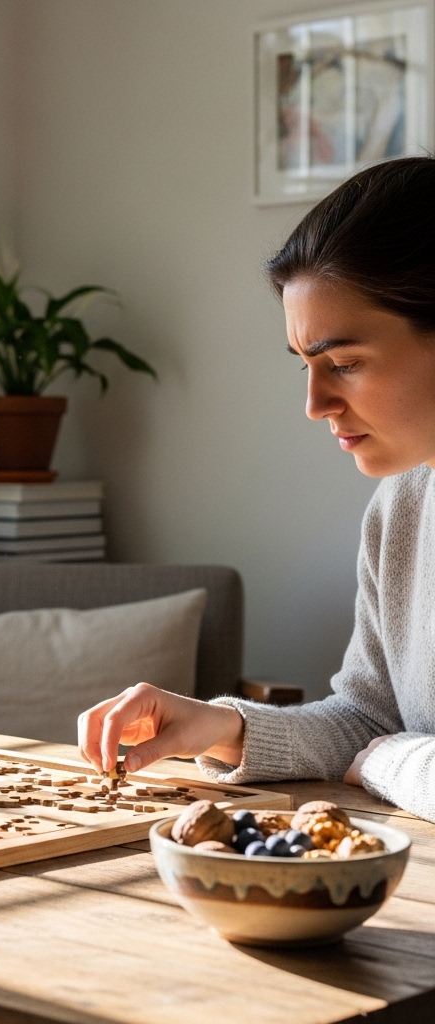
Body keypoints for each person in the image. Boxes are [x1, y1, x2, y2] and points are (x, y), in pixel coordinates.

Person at [77, 156, 435, 822]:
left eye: (345, 364)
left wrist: (391, 760)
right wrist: (217, 725)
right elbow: (365, 718)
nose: (315, 403)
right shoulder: (404, 505)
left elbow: (378, 749)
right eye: (305, 365)